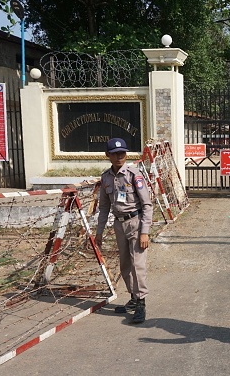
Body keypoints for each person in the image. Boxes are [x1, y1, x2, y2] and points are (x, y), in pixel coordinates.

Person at [95, 138, 153, 324]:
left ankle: (141, 302)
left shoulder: (133, 175)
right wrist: (99, 232)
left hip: (135, 224)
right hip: (119, 225)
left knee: (138, 265)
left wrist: (145, 231)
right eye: (115, 154)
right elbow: (104, 207)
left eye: (122, 154)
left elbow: (147, 204)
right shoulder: (105, 178)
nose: (119, 157)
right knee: (125, 264)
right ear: (108, 155)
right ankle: (133, 298)